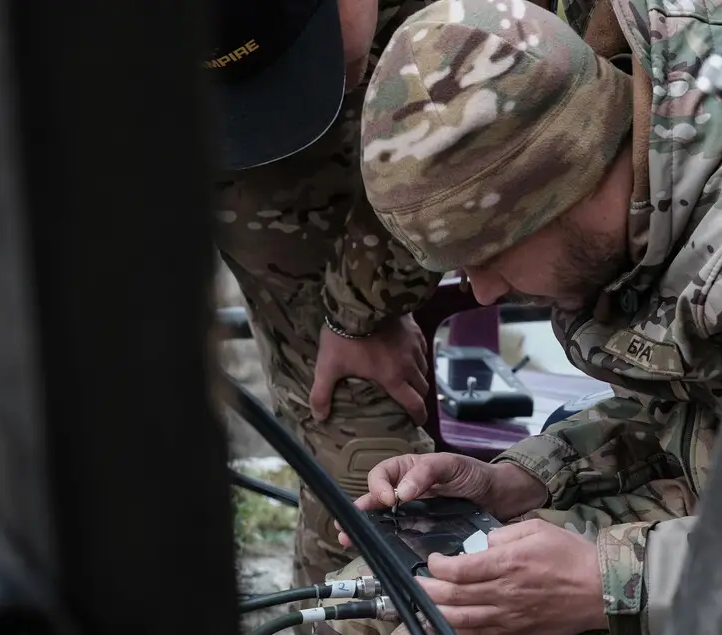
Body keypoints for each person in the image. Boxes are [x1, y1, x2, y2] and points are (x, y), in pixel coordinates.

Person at [315, 0, 722, 633]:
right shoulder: (649, 182)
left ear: (558, 186)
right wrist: (519, 478)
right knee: (392, 599)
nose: (483, 293)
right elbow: (701, 400)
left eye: (487, 255)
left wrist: (604, 582)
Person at [203, 0, 447, 598]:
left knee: (357, 411)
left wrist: (361, 305)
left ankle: (364, 611)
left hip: (425, 69)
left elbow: (496, 117)